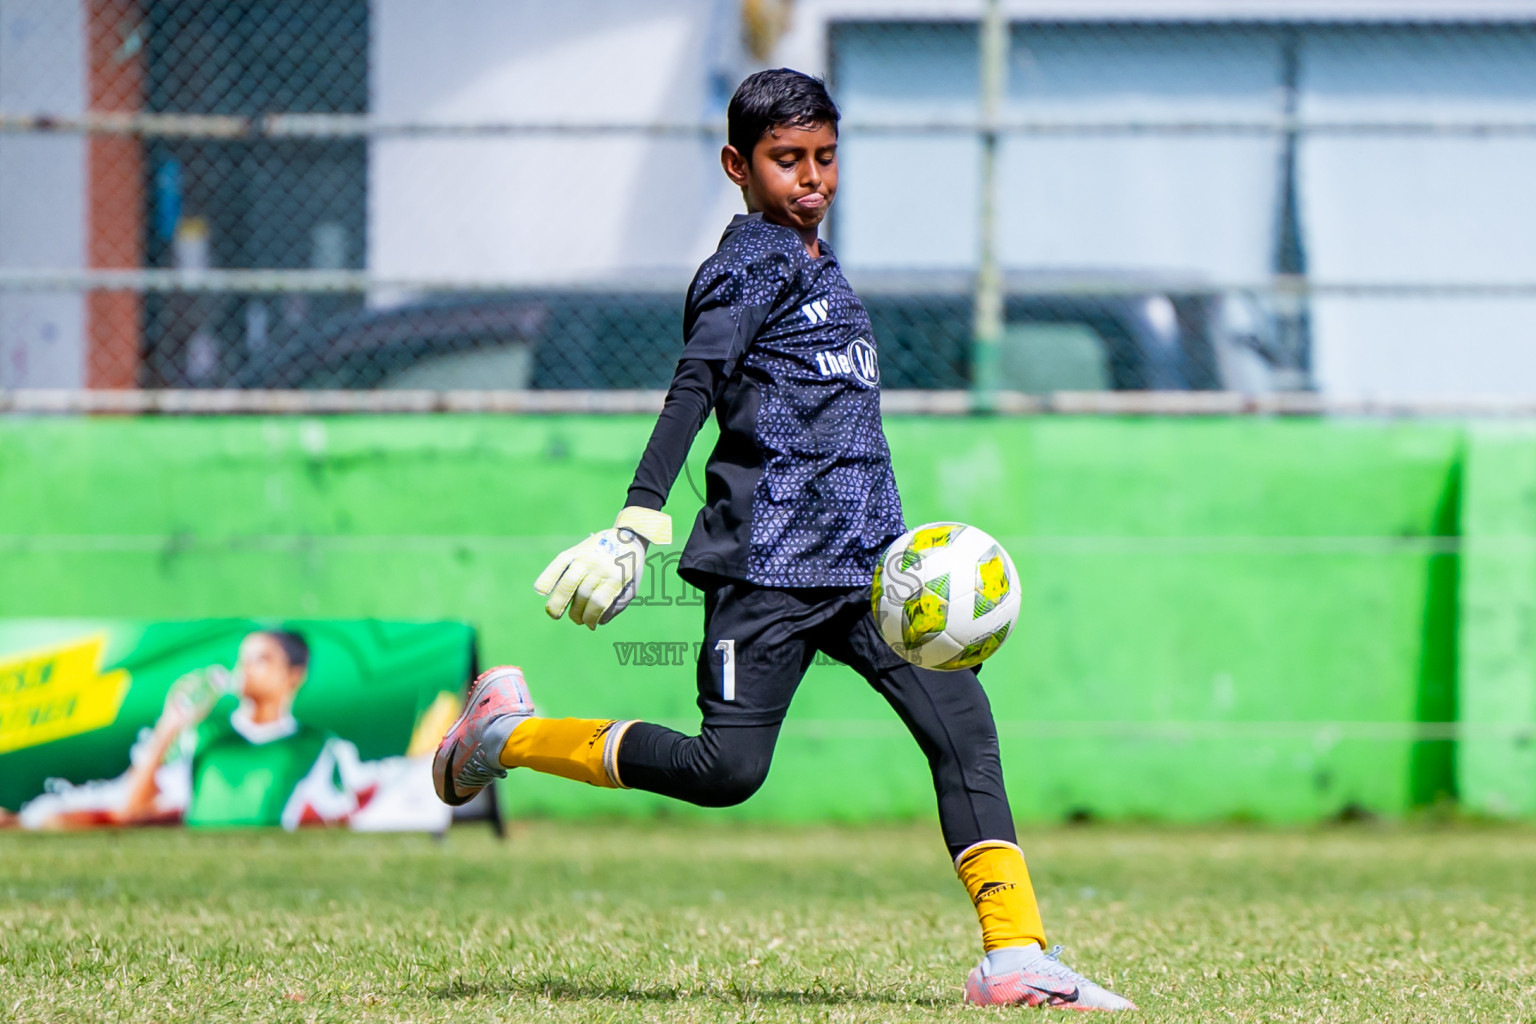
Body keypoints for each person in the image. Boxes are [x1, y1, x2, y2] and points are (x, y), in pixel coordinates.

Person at [434, 69, 1133, 1011]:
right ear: (738, 165)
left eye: (826, 158)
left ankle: (1014, 957)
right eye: (786, 160)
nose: (811, 178)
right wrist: (642, 511)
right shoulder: (747, 266)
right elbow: (697, 382)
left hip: (873, 572)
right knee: (726, 772)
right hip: (765, 570)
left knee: (962, 730)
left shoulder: (819, 261)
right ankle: (509, 734)